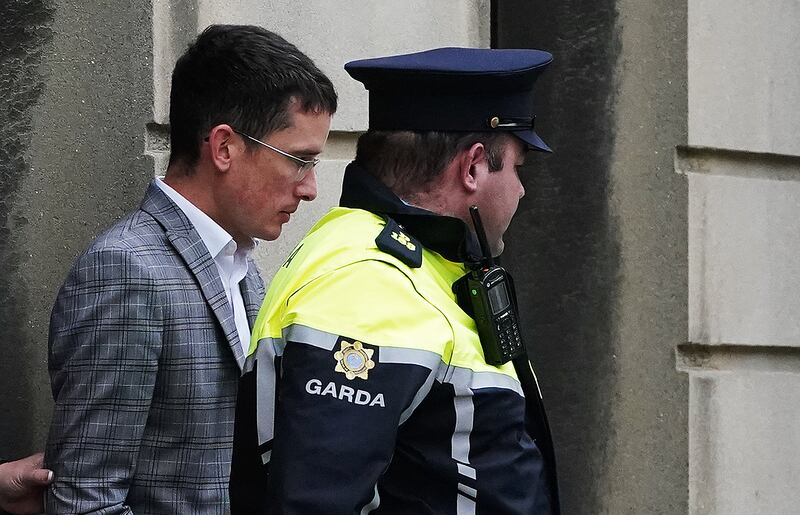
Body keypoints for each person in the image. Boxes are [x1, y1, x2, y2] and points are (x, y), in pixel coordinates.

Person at [230, 47, 560, 514]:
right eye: (517, 168)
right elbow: (317, 503)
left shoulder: (422, 265)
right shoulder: (368, 282)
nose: (521, 190)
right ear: (472, 167)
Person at [45, 24, 336, 514]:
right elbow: (85, 501)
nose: (309, 188)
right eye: (299, 160)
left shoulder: (243, 268)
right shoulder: (125, 270)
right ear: (224, 146)